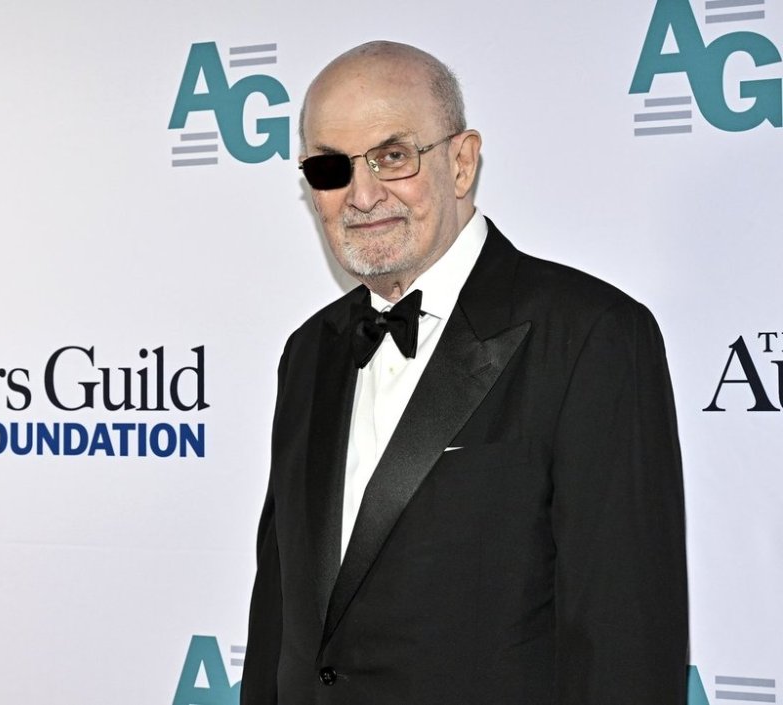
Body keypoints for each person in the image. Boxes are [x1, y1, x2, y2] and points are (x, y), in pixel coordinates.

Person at [240, 41, 688, 704]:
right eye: (332, 168)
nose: (362, 195)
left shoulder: (591, 335)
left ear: (461, 161)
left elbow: (627, 643)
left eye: (393, 156)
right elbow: (280, 617)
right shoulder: (308, 351)